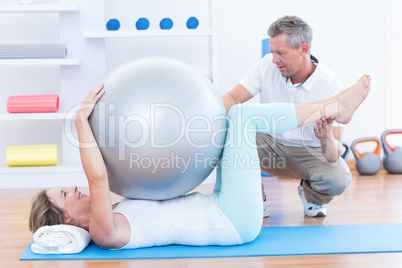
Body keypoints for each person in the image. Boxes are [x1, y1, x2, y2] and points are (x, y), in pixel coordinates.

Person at [29, 75, 370, 249]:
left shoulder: (113, 211)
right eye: (64, 192)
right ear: (68, 217)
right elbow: (98, 178)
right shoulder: (104, 233)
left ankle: (335, 105)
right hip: (232, 220)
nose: (74, 187)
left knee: (227, 118)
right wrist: (80, 121)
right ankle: (334, 108)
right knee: (244, 116)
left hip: (221, 206)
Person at [221, 15, 350, 218]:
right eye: (273, 52)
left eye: (281, 53)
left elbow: (333, 155)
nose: (274, 59)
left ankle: (312, 196)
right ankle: (254, 198)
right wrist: (207, 111)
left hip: (309, 153)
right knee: (225, 131)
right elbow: (233, 97)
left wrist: (327, 139)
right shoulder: (266, 66)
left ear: (304, 50)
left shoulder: (332, 86)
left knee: (339, 177)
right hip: (269, 145)